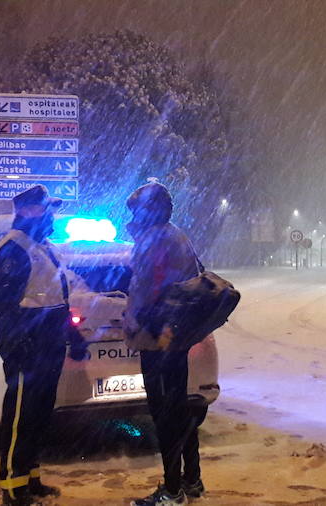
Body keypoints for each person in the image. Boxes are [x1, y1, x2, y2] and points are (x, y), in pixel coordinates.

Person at [0, 185, 82, 506]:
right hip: (27, 346)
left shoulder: (43, 247)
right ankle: (12, 487)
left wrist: (73, 334)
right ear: (27, 211)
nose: (52, 216)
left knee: (39, 414)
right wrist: (17, 341)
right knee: (20, 416)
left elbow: (57, 295)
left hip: (49, 342)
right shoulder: (14, 249)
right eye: (47, 209)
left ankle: (31, 478)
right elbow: (2, 303)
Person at [123, 181, 206, 506]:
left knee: (164, 414)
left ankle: (172, 490)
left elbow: (148, 288)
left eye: (137, 209)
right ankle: (192, 479)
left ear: (150, 210)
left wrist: (139, 319)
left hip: (157, 336)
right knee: (178, 407)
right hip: (175, 334)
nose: (133, 215)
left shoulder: (157, 239)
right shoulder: (176, 235)